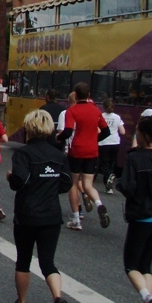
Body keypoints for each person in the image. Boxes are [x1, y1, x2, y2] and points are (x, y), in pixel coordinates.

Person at [6, 109, 73, 303]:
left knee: (23, 260)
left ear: (29, 129)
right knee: (48, 262)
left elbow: (20, 181)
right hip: (51, 215)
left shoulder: (23, 154)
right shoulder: (59, 155)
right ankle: (56, 298)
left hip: (27, 214)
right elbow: (66, 183)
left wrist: (10, 177)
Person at [117, 116, 152, 303]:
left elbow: (128, 187)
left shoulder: (135, 158)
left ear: (142, 135)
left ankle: (146, 297)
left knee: (131, 265)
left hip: (141, 217)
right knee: (146, 265)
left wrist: (118, 184)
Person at [58, 82, 111, 231]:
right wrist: (94, 140)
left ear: (75, 95)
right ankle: (99, 203)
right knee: (88, 184)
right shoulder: (96, 111)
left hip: (77, 150)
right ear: (89, 95)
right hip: (92, 151)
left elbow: (68, 131)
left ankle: (76, 220)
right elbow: (106, 132)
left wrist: (58, 138)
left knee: (73, 183)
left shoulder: (72, 111)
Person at [98, 99, 125, 194]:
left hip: (103, 142)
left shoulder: (101, 116)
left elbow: (98, 130)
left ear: (104, 107)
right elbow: (123, 132)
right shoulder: (117, 117)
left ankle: (109, 176)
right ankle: (109, 187)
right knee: (111, 163)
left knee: (104, 164)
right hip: (115, 142)